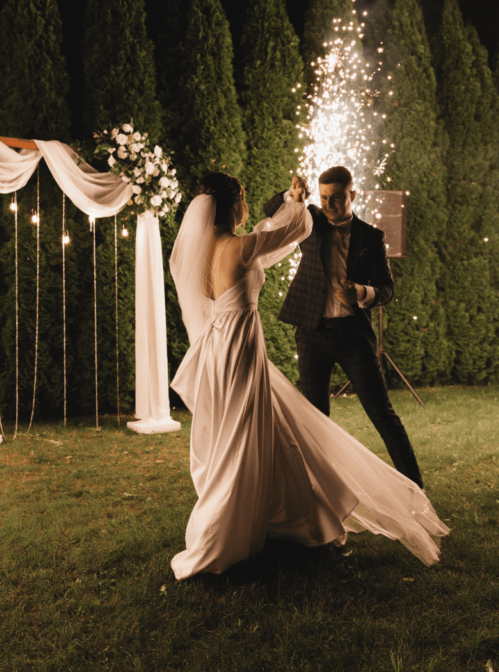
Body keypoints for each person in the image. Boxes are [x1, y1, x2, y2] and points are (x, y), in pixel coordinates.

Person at [168, 171, 447, 580]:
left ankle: (295, 514)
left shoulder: (204, 249)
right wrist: (296, 201)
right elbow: (293, 227)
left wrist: (360, 291)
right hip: (242, 349)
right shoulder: (243, 248)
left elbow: (268, 231)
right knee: (248, 435)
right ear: (231, 206)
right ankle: (231, 526)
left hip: (218, 350)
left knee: (264, 432)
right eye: (242, 197)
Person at [263, 166, 425, 488]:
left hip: (353, 335)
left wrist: (363, 292)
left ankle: (416, 489)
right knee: (313, 420)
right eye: (323, 198)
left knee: (382, 414)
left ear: (352, 195)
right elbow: (271, 211)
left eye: (336, 198)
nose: (328, 205)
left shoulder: (372, 237)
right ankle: (318, 498)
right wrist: (291, 195)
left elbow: (387, 289)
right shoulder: (309, 221)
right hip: (312, 333)